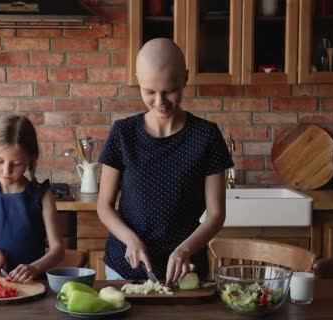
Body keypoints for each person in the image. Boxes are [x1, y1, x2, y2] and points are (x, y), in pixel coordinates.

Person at [97, 38, 233, 286]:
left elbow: (216, 214)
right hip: (124, 269)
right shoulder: (122, 133)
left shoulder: (206, 136)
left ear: (185, 79)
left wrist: (184, 250)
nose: (160, 101)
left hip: (185, 271)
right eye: (149, 92)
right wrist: (130, 239)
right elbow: (104, 206)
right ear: (138, 81)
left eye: (169, 90)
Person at [0, 115, 64, 282]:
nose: (6, 171)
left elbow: (58, 249)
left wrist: (35, 267)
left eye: (16, 164)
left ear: (30, 160)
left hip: (34, 285)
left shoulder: (42, 195)